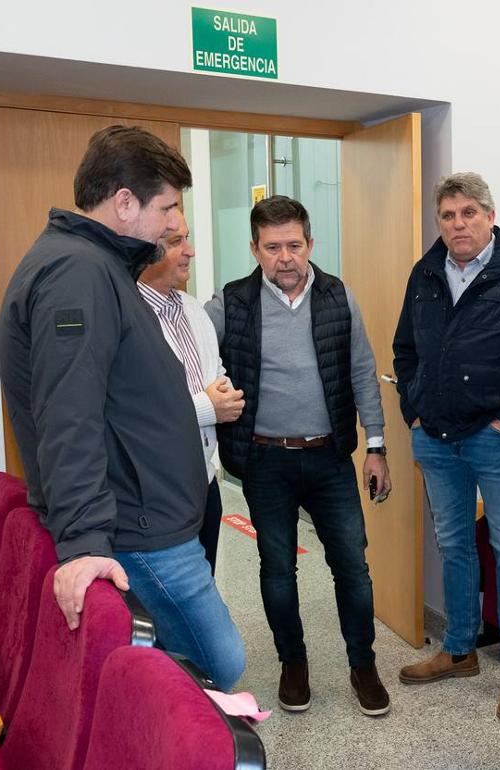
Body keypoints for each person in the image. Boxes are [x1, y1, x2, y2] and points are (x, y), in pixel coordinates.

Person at [0, 125, 246, 689]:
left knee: (168, 665)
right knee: (221, 659)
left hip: (149, 515)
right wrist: (85, 544)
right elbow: (69, 413)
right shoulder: (78, 271)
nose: (175, 223)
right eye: (168, 207)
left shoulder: (95, 265)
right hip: (138, 523)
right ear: (125, 202)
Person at [205, 195, 392, 717]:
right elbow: (192, 357)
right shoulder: (231, 303)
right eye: (272, 247)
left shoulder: (337, 297)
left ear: (310, 243)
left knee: (352, 566)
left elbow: (362, 372)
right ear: (254, 248)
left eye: (293, 245)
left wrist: (375, 445)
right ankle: (294, 663)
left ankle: (363, 664)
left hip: (329, 457)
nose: (284, 257)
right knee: (278, 569)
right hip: (266, 462)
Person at [393, 172, 500, 721]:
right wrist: (412, 411)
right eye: (448, 215)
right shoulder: (426, 271)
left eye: (468, 213)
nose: (458, 224)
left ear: (489, 215)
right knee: (454, 543)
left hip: (496, 441)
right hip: (436, 438)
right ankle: (459, 648)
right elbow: (405, 348)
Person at [137, 210, 245, 574]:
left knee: (203, 585)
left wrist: (223, 393)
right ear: (144, 250)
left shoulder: (193, 309)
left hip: (204, 484)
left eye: (188, 238)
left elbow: (216, 375)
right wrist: (207, 406)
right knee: (162, 611)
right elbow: (138, 414)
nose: (190, 251)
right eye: (175, 242)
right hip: (157, 495)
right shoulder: (130, 318)